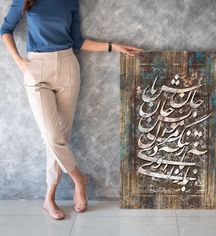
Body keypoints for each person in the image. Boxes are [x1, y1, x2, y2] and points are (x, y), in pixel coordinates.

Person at [0, 0, 143, 220]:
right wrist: (19, 61)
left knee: (62, 138)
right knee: (51, 136)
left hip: (68, 66)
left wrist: (114, 47)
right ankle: (79, 179)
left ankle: (49, 198)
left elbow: (78, 41)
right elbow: (5, 29)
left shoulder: (70, 1)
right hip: (36, 69)